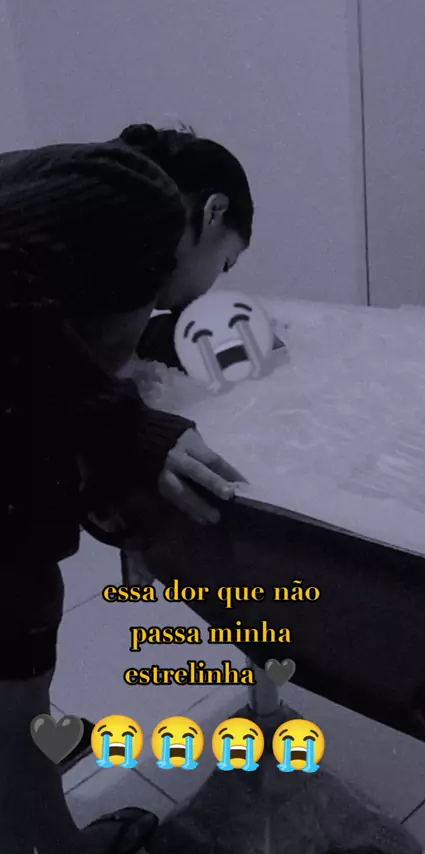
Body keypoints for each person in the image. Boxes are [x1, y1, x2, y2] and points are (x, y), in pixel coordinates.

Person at [1, 131, 253, 854]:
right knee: (16, 691)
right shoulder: (140, 198)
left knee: (17, 691)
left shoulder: (81, 191)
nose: (211, 288)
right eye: (225, 263)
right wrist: (134, 428)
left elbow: (47, 324)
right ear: (211, 212)